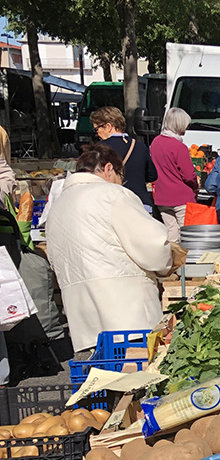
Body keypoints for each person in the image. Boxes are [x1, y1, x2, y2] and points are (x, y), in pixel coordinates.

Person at [45, 143, 176, 355]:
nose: (120, 182)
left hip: (82, 314)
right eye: (119, 176)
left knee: (105, 373)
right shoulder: (113, 194)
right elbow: (151, 245)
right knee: (137, 375)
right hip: (126, 313)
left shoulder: (58, 205)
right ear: (108, 169)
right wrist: (169, 260)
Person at [91, 106, 157, 211]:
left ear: (108, 126)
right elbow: (153, 175)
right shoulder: (139, 146)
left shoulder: (100, 149)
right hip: (141, 204)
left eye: (97, 129)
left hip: (113, 205)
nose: (96, 133)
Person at [150, 107, 199, 243]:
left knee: (171, 233)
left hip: (162, 196)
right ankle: (184, 263)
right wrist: (195, 186)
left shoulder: (155, 143)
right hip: (181, 197)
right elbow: (189, 175)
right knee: (187, 235)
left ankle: (172, 261)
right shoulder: (179, 147)